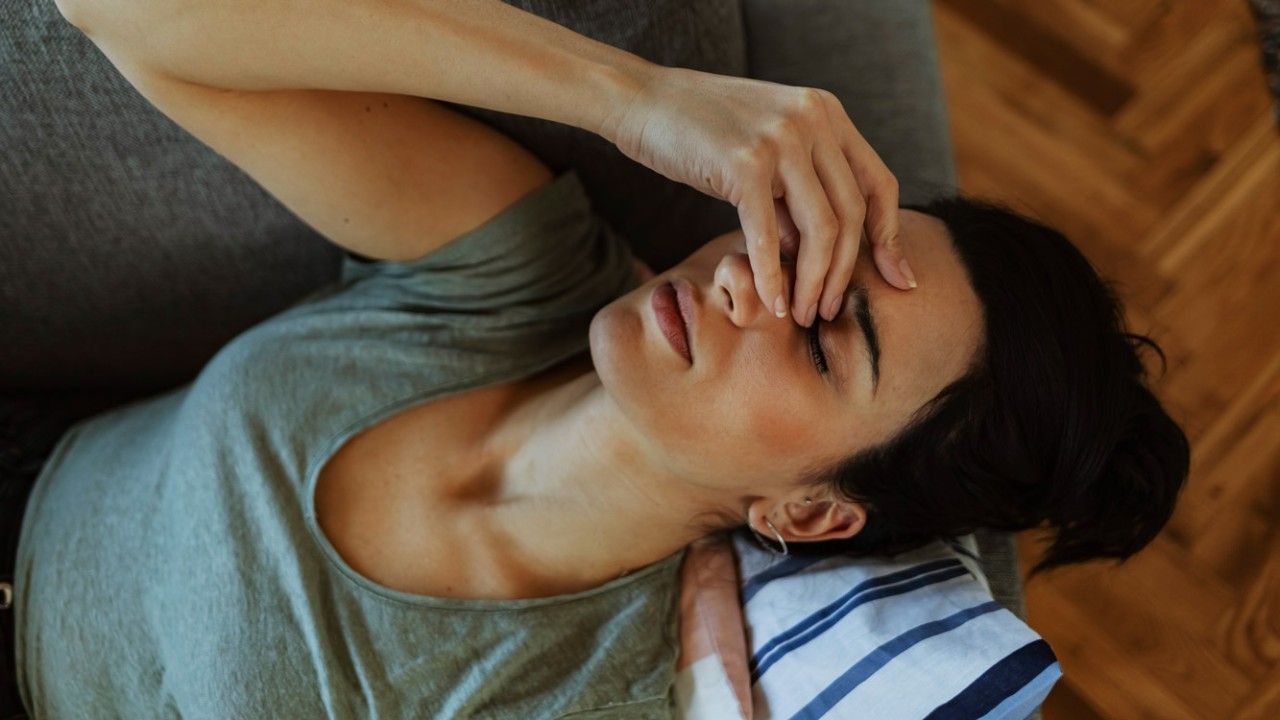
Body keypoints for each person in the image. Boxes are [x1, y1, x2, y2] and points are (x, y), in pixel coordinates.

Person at [2, 0, 1190, 716]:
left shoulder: (589, 697)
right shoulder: (521, 267)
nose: (745, 281)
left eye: (822, 336)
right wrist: (632, 95)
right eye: (799, 241)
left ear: (813, 513)